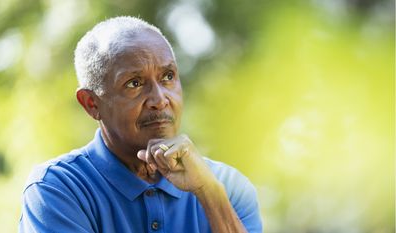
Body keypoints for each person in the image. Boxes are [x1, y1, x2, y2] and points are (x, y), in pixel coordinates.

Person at [19, 16, 262, 233]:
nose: (159, 100)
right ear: (92, 104)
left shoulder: (228, 186)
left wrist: (210, 193)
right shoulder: (58, 189)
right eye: (134, 83)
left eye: (168, 77)